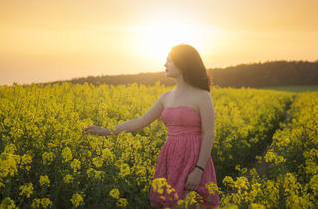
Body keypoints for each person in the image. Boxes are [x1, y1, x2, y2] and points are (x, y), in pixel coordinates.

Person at [83, 44, 220, 209]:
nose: (165, 64)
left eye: (169, 61)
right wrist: (105, 131)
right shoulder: (166, 97)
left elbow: (209, 134)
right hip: (171, 158)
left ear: (183, 63)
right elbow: (140, 121)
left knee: (191, 204)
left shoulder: (202, 96)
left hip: (194, 158)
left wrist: (199, 169)